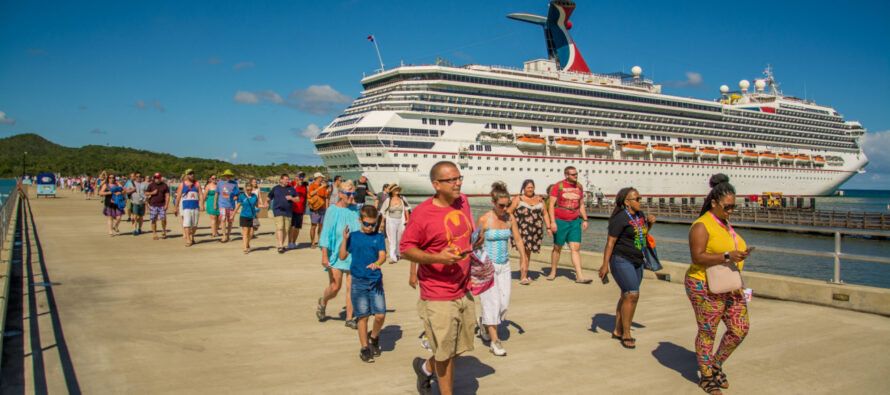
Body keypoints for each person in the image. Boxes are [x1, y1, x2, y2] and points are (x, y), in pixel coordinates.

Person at [401, 161, 475, 395]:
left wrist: (476, 242)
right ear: (436, 184)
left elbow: (465, 235)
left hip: (464, 287)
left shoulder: (463, 202)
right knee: (445, 352)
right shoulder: (422, 214)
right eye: (451, 180)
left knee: (459, 348)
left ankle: (425, 368)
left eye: (459, 178)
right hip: (438, 292)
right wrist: (438, 258)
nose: (458, 183)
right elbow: (405, 249)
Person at [687, 174, 751, 394]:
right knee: (708, 331)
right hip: (703, 284)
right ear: (714, 203)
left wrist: (738, 256)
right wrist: (727, 256)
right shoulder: (701, 225)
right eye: (727, 206)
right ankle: (706, 376)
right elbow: (697, 257)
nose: (731, 210)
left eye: (734, 206)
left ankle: (715, 364)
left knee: (740, 329)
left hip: (729, 283)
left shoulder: (725, 223)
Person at [598, 187, 656, 350]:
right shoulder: (620, 218)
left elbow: (641, 234)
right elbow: (610, 242)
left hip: (638, 260)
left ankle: (618, 329)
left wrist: (649, 225)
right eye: (637, 199)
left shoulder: (641, 216)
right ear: (627, 202)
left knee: (626, 295)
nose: (640, 202)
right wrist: (605, 265)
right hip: (621, 259)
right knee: (633, 294)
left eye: (640, 198)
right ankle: (627, 333)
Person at [475, 182, 525, 357]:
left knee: (504, 303)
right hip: (487, 266)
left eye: (507, 205)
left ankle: (485, 322)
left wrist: (524, 260)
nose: (504, 208)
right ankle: (495, 341)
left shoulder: (509, 218)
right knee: (492, 302)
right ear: (493, 202)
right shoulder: (484, 219)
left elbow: (518, 239)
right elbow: (473, 243)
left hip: (505, 265)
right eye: (501, 205)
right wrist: (477, 242)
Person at [338, 205, 387, 363]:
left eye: (373, 224)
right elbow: (343, 256)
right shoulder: (353, 236)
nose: (370, 227)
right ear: (360, 221)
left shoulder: (378, 237)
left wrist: (377, 263)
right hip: (358, 281)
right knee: (363, 316)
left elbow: (382, 256)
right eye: (367, 224)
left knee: (380, 314)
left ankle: (373, 336)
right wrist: (344, 240)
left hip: (375, 281)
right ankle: (364, 348)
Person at [316, 180, 361, 328]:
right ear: (341, 194)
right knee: (335, 287)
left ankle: (349, 318)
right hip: (335, 253)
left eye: (353, 193)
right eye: (348, 193)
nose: (351, 197)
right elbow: (326, 234)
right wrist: (324, 256)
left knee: (352, 286)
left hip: (352, 254)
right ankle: (323, 301)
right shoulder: (332, 211)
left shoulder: (356, 210)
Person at [547, 166, 592, 283]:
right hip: (560, 221)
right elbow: (551, 205)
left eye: (576, 174)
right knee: (557, 247)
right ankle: (553, 271)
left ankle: (580, 276)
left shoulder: (579, 186)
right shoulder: (558, 186)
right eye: (573, 174)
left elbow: (581, 204)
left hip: (575, 221)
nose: (576, 176)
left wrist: (585, 219)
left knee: (575, 248)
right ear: (566, 175)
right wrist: (552, 222)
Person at [506, 179, 552, 285]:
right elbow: (509, 211)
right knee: (523, 253)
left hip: (535, 231)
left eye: (532, 187)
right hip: (521, 230)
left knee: (528, 252)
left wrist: (548, 227)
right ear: (524, 188)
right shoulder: (518, 199)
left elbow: (545, 214)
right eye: (528, 187)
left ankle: (525, 273)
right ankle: (523, 276)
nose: (530, 189)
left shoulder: (540, 200)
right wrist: (511, 225)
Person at [266, 174, 299, 253]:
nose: (287, 181)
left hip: (288, 212)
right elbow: (269, 197)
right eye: (286, 179)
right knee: (280, 227)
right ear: (281, 180)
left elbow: (297, 199)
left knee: (285, 229)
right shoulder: (276, 188)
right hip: (278, 210)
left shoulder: (291, 189)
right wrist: (266, 202)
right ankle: (280, 245)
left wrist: (292, 198)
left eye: (288, 179)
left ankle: (282, 244)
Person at [380, 185, 411, 264]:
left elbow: (407, 209)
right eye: (395, 189)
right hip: (391, 221)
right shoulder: (388, 200)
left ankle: (398, 254)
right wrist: (381, 223)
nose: (397, 190)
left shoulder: (402, 198)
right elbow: (383, 212)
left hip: (401, 220)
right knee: (392, 239)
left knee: (399, 239)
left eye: (397, 189)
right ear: (392, 191)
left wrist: (408, 219)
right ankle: (393, 257)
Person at [173, 169, 204, 247]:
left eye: (193, 173)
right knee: (187, 223)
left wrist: (202, 204)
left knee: (195, 224)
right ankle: (188, 239)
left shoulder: (197, 184)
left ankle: (192, 235)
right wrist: (175, 207)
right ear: (186, 175)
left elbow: (200, 194)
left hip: (195, 206)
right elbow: (178, 196)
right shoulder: (182, 184)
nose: (192, 175)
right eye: (190, 174)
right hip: (186, 206)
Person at [234, 183, 265, 254]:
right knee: (245, 231)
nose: (249, 191)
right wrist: (233, 214)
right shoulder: (242, 196)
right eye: (248, 190)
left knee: (251, 233)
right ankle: (245, 248)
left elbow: (257, 205)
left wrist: (263, 206)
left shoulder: (254, 196)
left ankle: (247, 243)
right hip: (244, 215)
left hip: (252, 216)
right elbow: (238, 206)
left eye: (250, 190)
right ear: (245, 189)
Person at [215, 170, 239, 242]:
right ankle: (224, 236)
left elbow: (237, 194)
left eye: (229, 175)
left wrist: (236, 197)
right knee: (223, 220)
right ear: (224, 176)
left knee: (230, 221)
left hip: (231, 205)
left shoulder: (234, 184)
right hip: (222, 204)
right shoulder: (220, 183)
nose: (228, 177)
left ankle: (228, 235)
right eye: (226, 175)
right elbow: (217, 193)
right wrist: (214, 204)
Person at [145, 173, 171, 240]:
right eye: (155, 178)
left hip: (162, 204)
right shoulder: (151, 185)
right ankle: (154, 233)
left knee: (163, 219)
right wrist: (152, 193)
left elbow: (167, 195)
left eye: (158, 178)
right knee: (153, 220)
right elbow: (146, 193)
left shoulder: (164, 185)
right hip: (153, 204)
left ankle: (163, 230)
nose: (157, 179)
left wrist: (167, 204)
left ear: (160, 178)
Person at [307, 172, 329, 248]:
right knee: (313, 225)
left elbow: (326, 197)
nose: (322, 179)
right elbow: (311, 193)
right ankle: (312, 242)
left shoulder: (323, 187)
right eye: (321, 177)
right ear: (318, 178)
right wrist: (320, 187)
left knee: (321, 226)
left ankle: (319, 241)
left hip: (322, 208)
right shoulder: (312, 185)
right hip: (315, 208)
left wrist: (327, 208)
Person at [288, 172, 308, 249]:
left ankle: (294, 242)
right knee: (292, 227)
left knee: (297, 227)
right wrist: (296, 185)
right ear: (296, 176)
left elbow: (305, 197)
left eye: (303, 176)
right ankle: (289, 242)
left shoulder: (304, 186)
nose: (301, 178)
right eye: (300, 176)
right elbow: (289, 192)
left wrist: (305, 208)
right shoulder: (292, 184)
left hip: (300, 209)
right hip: (292, 208)